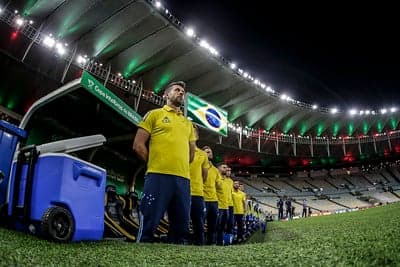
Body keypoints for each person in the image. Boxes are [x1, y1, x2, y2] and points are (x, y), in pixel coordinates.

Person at [133, 81, 196, 244]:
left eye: (183, 91)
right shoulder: (154, 114)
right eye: (177, 90)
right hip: (157, 176)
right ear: (166, 95)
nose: (181, 92)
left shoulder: (188, 124)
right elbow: (138, 145)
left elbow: (191, 153)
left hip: (183, 180)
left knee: (181, 229)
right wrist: (155, 164)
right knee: (149, 222)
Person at [189, 125, 209, 245]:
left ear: (196, 136)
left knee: (198, 222)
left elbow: (204, 176)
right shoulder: (180, 150)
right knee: (179, 221)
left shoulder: (202, 154)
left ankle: (199, 245)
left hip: (196, 193)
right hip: (180, 191)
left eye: (193, 132)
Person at [202, 146, 222, 245]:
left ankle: (211, 242)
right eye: (208, 152)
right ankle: (200, 241)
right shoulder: (199, 166)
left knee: (213, 224)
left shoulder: (215, 170)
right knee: (200, 222)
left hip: (214, 200)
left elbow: (218, 185)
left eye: (211, 152)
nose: (210, 153)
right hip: (203, 199)